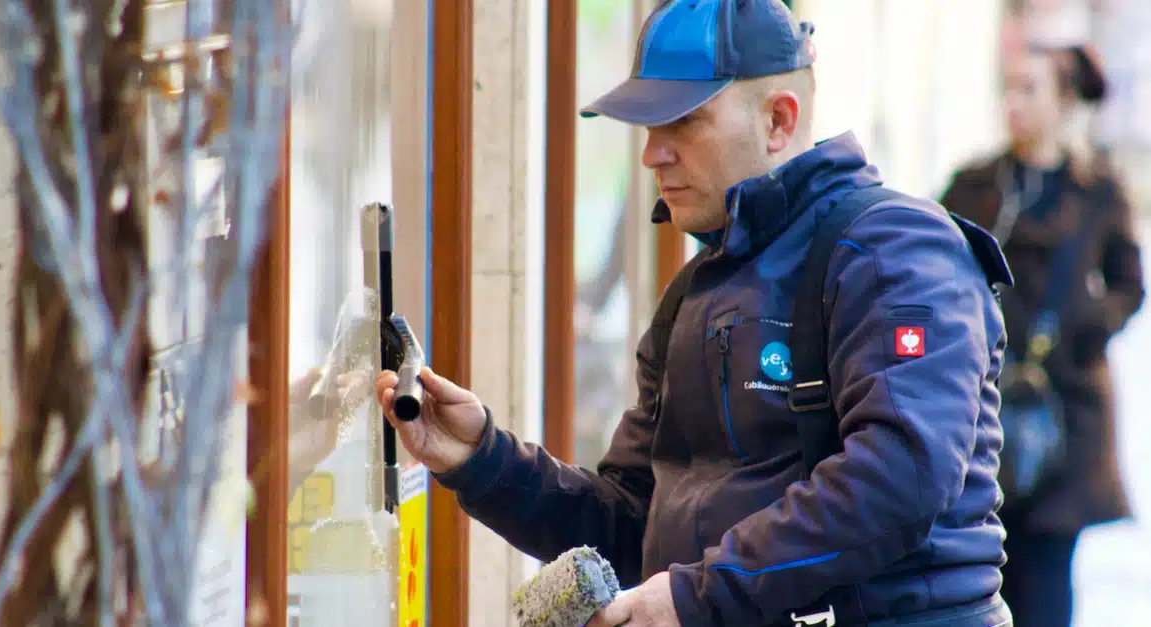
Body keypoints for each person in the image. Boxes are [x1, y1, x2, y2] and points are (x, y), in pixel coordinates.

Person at [376, 1, 1015, 625]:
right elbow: (632, 525)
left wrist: (696, 597)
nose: (654, 153)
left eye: (683, 122)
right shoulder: (694, 291)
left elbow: (902, 477)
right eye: (648, 129)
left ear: (778, 121)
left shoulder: (894, 249)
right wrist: (481, 458)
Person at [940, 38, 1144, 627]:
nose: (1014, 104)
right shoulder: (977, 185)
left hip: (1065, 416)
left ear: (1063, 102)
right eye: (1009, 89)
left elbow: (1129, 285)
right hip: (984, 409)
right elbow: (928, 266)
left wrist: (1087, 332)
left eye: (1030, 90)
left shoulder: (1098, 192)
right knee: (982, 575)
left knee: (1049, 580)